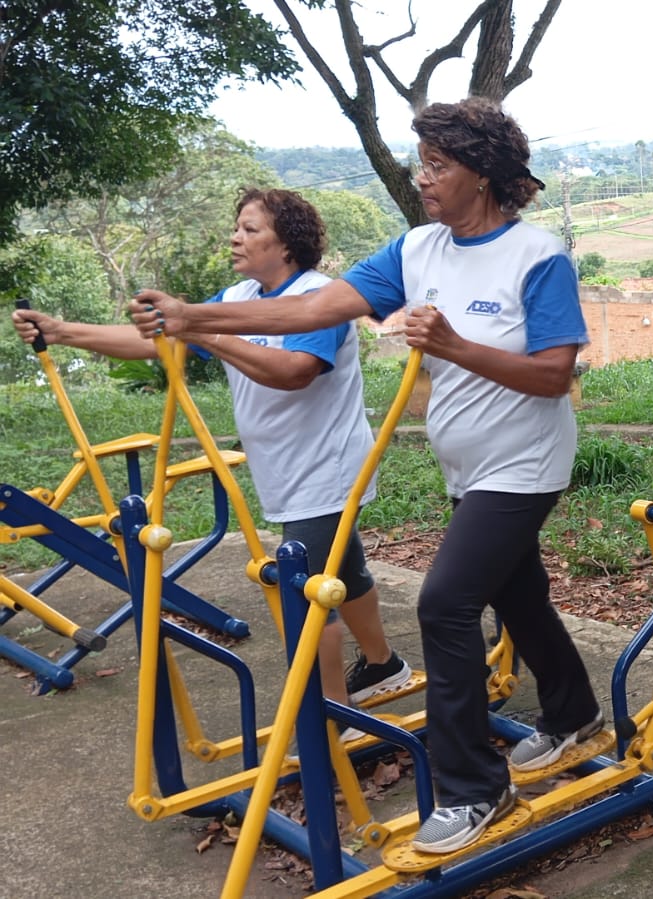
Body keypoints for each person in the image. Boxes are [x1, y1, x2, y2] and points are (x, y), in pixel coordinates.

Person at [128, 98, 602, 856]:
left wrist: (453, 344)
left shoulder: (536, 256)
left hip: (525, 462)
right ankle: (574, 712)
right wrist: (195, 316)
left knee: (447, 603)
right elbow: (310, 307)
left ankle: (474, 786)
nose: (424, 178)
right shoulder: (417, 250)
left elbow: (552, 376)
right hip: (468, 463)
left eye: (438, 165)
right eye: (423, 162)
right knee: (517, 592)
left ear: (481, 176)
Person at [13, 188, 411, 722]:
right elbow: (160, 342)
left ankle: (334, 729)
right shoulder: (239, 296)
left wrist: (208, 329)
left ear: (287, 243)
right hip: (287, 467)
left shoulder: (319, 296)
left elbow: (293, 372)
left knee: (307, 600)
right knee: (347, 569)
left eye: (250, 229)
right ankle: (384, 666)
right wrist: (63, 332)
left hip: (327, 466)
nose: (235, 236)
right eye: (237, 227)